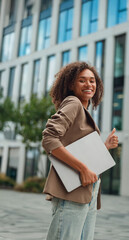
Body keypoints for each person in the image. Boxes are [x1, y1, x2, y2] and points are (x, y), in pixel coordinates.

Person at [42, 61, 118, 240]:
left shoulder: (83, 110)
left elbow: (80, 150)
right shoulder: (73, 102)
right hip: (73, 190)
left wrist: (105, 146)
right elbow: (49, 137)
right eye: (82, 80)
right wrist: (83, 169)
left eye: (92, 81)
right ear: (70, 84)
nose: (89, 84)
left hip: (87, 190)